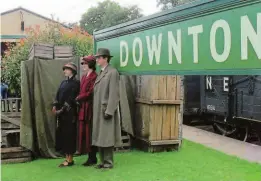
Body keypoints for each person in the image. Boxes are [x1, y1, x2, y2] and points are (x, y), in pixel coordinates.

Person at [92, 48, 122, 169]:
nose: (97, 59)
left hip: (106, 110)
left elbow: (114, 93)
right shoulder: (102, 72)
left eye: (99, 57)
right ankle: (102, 161)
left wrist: (110, 110)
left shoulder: (112, 72)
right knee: (100, 135)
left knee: (106, 136)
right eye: (97, 57)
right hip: (98, 110)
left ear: (106, 58)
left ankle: (108, 162)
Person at [52, 62, 80, 168]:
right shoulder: (63, 83)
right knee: (63, 135)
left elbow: (72, 99)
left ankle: (70, 159)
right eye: (64, 69)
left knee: (70, 136)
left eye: (66, 69)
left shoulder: (76, 83)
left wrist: (62, 110)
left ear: (72, 71)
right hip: (61, 115)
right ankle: (66, 158)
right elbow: (58, 95)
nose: (64, 71)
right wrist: (55, 106)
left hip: (70, 114)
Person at [76, 55, 98, 166]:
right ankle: (89, 156)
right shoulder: (84, 77)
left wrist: (79, 97)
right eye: (82, 63)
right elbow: (82, 91)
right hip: (83, 107)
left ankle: (92, 157)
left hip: (90, 107)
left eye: (84, 63)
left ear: (90, 64)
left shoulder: (95, 76)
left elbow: (90, 93)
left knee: (90, 132)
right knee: (84, 132)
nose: (83, 66)